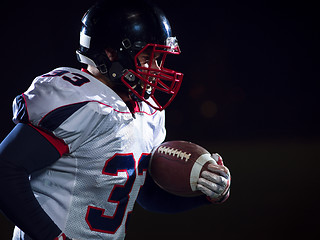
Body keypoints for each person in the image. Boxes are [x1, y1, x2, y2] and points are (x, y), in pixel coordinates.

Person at [0, 1, 231, 239]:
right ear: (111, 53)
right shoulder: (80, 100)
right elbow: (6, 170)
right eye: (146, 58)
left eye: (160, 59)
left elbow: (146, 196)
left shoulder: (147, 112)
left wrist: (207, 194)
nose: (157, 68)